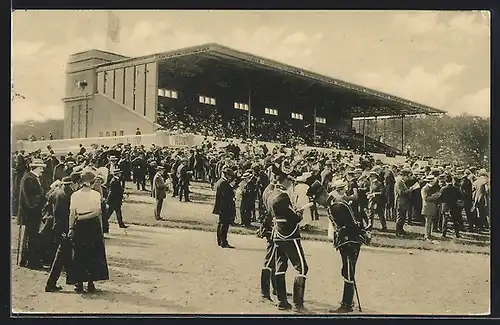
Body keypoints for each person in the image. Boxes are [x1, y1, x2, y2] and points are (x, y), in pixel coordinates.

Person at [306, 178, 370, 313]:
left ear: (323, 195)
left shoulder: (337, 205)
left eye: (318, 200)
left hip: (350, 243)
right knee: (346, 271)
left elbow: (351, 226)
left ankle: (347, 305)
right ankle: (348, 301)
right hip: (346, 242)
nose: (318, 204)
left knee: (348, 272)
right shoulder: (334, 204)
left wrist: (346, 243)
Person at [262, 165, 308, 312]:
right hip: (289, 234)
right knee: (302, 267)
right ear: (286, 180)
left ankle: (282, 301)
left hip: (277, 235)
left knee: (281, 266)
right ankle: (297, 304)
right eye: (290, 180)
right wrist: (299, 214)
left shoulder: (271, 194)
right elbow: (293, 218)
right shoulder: (283, 196)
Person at [65, 169, 109, 293]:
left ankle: (79, 283)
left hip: (79, 224)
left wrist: (71, 227)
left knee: (79, 253)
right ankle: (90, 282)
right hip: (92, 224)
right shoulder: (96, 194)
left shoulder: (75, 195)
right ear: (92, 182)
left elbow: (72, 214)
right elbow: (97, 212)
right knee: (92, 253)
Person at [45, 176, 77, 292]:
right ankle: (50, 283)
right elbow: (62, 216)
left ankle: (73, 281)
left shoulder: (55, 192)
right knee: (61, 256)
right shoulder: (65, 196)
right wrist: (64, 231)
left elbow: (47, 208)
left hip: (57, 228)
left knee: (66, 255)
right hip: (63, 230)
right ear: (70, 185)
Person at [18, 158, 47, 269]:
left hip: (33, 212)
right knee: (32, 237)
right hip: (30, 213)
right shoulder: (29, 179)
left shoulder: (33, 178)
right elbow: (30, 199)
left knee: (31, 236)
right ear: (36, 168)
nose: (42, 170)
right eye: (41, 168)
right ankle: (32, 262)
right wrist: (45, 196)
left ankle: (27, 260)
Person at [212, 168, 237, 248]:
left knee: (221, 224)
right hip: (225, 207)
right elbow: (227, 196)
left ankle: (220, 241)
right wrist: (232, 190)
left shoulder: (221, 182)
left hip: (222, 206)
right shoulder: (224, 183)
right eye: (230, 176)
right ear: (227, 175)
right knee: (224, 224)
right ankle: (223, 242)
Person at [420, 175, 441, 241]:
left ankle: (429, 234)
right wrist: (435, 196)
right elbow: (425, 198)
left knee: (430, 222)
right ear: (431, 181)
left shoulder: (432, 188)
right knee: (428, 222)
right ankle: (427, 236)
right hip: (428, 207)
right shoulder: (425, 188)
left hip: (431, 207)